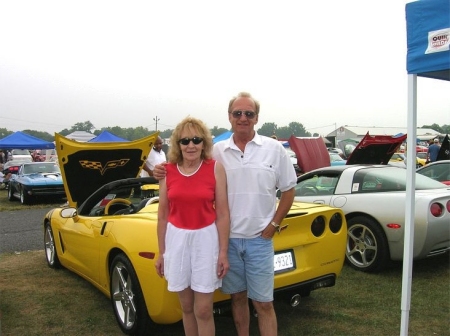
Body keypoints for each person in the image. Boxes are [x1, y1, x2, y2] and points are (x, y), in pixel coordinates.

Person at [154, 92, 297, 336]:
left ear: (256, 118)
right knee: (237, 299)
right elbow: (186, 172)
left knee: (264, 303)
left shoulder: (274, 149)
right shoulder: (218, 152)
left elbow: (289, 189)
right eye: (237, 113)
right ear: (229, 117)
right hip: (227, 240)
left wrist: (274, 223)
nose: (243, 118)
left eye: (248, 113)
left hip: (259, 240)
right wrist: (161, 170)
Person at [155, 116, 230, 336]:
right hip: (176, 240)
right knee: (186, 308)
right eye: (185, 141)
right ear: (177, 144)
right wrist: (162, 253)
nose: (191, 145)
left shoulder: (215, 168)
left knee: (204, 309)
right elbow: (162, 215)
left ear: (204, 143)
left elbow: (223, 213)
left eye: (196, 140)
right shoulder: (167, 172)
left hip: (205, 240)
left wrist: (223, 253)